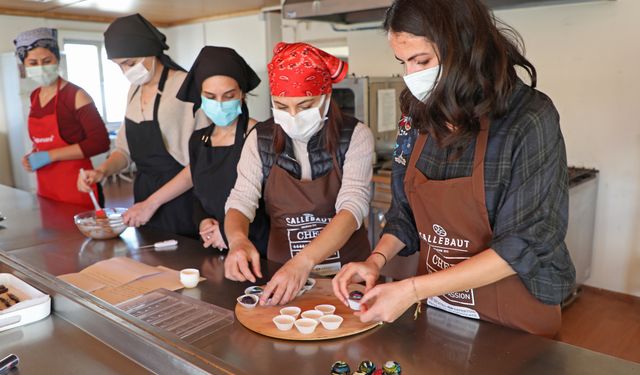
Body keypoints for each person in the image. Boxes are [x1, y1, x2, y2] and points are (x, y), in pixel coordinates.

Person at [332, 0, 575, 337]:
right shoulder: (415, 116)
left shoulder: (529, 117)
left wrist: (413, 290)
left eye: (423, 61)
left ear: (464, 47)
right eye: (403, 63)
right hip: (441, 306)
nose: (412, 76)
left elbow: (523, 243)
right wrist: (374, 261)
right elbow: (404, 212)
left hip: (513, 317)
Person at [224, 42, 374, 306]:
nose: (292, 116)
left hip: (348, 276)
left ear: (326, 97)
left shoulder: (355, 135)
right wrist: (237, 239)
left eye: (305, 106)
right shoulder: (260, 139)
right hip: (283, 276)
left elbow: (353, 206)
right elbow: (241, 200)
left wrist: (303, 262)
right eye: (281, 106)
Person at [123, 46, 270, 252]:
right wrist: (204, 221)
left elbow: (272, 203)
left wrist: (231, 233)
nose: (219, 104)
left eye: (229, 96)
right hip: (213, 245)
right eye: (210, 96)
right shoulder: (199, 140)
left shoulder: (263, 136)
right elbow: (199, 195)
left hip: (256, 247)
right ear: (200, 96)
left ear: (242, 94)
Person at [77, 14, 207, 237]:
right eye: (119, 66)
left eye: (130, 63)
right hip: (144, 196)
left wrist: (152, 204)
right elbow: (125, 151)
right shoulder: (134, 91)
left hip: (184, 199)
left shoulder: (186, 86)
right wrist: (102, 171)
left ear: (151, 50)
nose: (126, 71)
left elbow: (201, 162)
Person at [15, 27, 109, 207]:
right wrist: (32, 156)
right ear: (24, 66)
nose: (41, 67)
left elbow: (100, 142)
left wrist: (51, 156)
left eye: (46, 60)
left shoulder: (76, 95)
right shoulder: (34, 96)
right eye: (33, 63)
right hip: (47, 187)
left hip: (80, 186)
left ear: (57, 59)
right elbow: (42, 142)